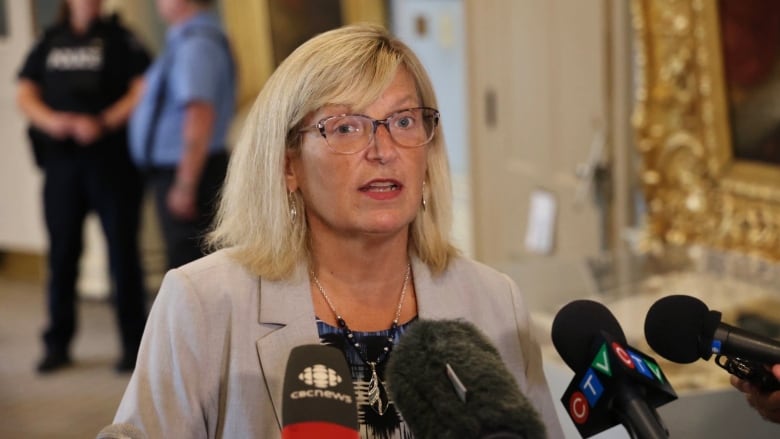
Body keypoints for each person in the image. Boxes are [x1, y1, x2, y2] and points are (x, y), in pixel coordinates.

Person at [112, 24, 565, 438]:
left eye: (404, 121)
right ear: (289, 164)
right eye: (346, 127)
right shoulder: (202, 303)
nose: (383, 150)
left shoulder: (494, 301)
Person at [16, 0, 149, 373]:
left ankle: (133, 346)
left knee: (123, 256)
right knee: (61, 255)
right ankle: (57, 344)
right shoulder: (50, 41)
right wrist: (52, 121)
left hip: (111, 163)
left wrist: (104, 121)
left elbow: (142, 88)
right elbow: (25, 93)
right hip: (61, 165)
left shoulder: (120, 38)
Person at [128, 0, 235, 270]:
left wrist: (185, 184)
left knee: (191, 267)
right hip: (186, 168)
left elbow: (199, 115)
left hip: (191, 170)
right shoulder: (186, 39)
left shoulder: (196, 44)